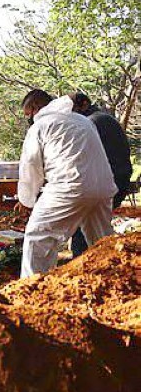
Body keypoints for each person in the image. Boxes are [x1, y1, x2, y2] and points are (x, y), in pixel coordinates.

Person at [17, 90, 117, 278]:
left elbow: (31, 167)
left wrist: (27, 200)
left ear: (32, 109)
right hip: (103, 188)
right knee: (104, 241)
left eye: (27, 115)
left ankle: (31, 290)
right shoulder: (83, 121)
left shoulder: (40, 126)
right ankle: (118, 281)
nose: (28, 119)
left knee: (38, 237)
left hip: (69, 187)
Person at [70, 92, 132, 257]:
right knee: (94, 230)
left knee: (82, 232)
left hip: (109, 181)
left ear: (83, 105)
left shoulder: (91, 122)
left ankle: (88, 271)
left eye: (71, 109)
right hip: (116, 179)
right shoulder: (102, 118)